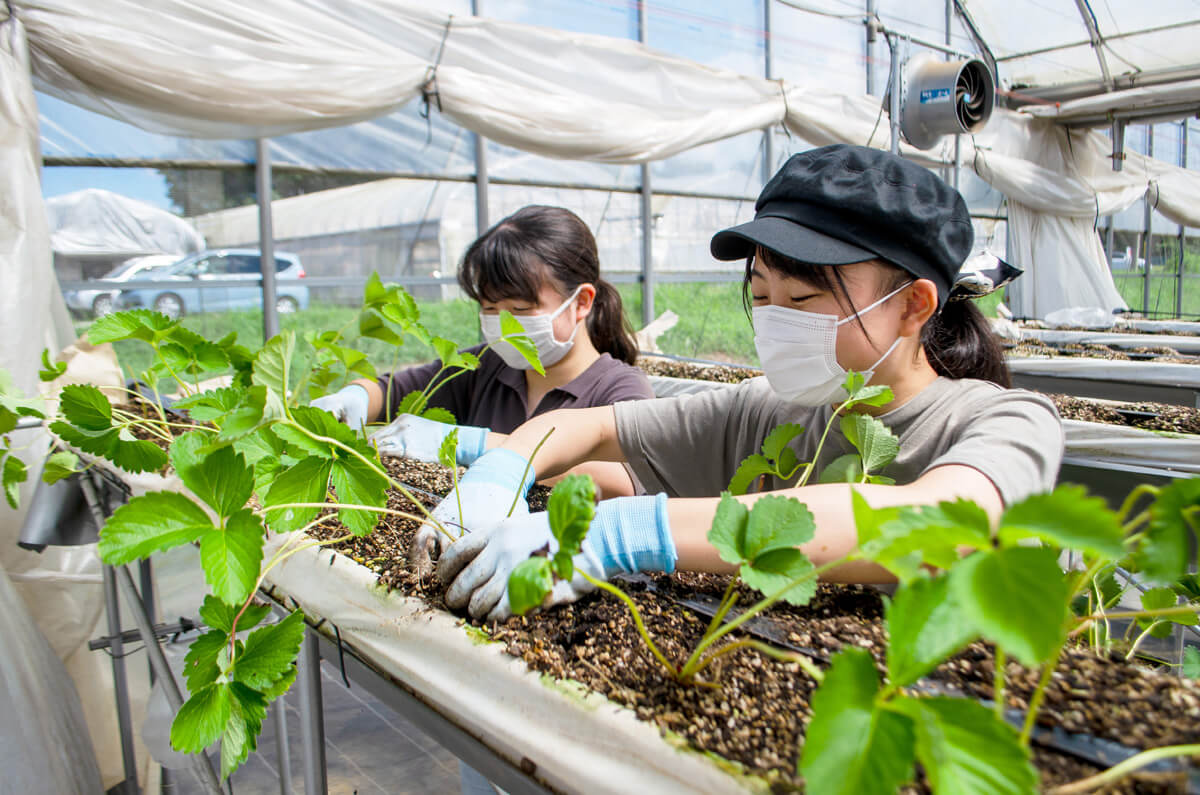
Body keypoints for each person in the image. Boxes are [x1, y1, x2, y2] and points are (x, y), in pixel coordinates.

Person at [425, 144, 1065, 622]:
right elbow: (591, 427)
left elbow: (941, 525)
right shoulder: (771, 410)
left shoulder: (1006, 421)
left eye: (804, 298)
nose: (775, 320)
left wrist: (624, 533)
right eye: (762, 296)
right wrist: (495, 477)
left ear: (914, 304)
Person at [312, 204, 654, 504]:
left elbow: (620, 482)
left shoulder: (620, 389)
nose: (502, 324)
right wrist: (352, 398)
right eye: (490, 309)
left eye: (520, 308)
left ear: (581, 302)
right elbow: (391, 391)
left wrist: (473, 445)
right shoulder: (486, 366)